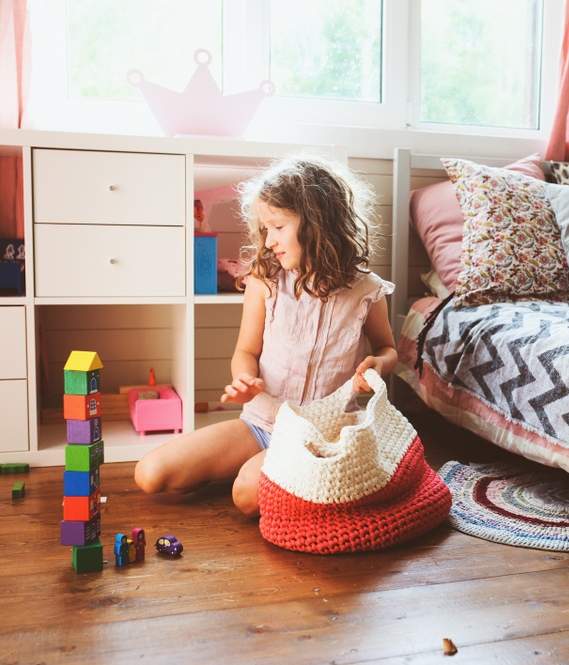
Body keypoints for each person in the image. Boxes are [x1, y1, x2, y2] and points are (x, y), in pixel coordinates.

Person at [134, 155, 397, 517]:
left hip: (324, 433)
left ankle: (275, 470)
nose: (269, 239)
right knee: (150, 474)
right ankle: (264, 465)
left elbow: (388, 349)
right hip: (261, 423)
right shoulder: (264, 282)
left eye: (278, 226)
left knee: (246, 496)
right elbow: (245, 350)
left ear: (317, 223)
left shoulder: (365, 290)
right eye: (265, 229)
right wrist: (245, 378)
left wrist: (377, 365)